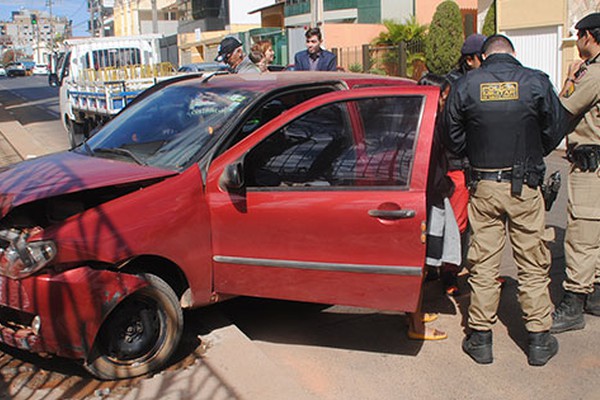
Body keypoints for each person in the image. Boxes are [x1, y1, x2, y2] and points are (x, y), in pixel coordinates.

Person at [442, 35, 565, 366]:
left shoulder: (467, 85)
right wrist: (533, 153)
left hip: (484, 184)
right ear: (513, 53)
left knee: (483, 261)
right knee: (533, 261)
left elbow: (450, 136)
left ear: (482, 56)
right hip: (525, 185)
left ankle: (480, 339)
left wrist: (473, 156)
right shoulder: (536, 81)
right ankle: (539, 339)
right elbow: (555, 129)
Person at [551, 12, 600, 333]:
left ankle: (573, 304)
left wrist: (570, 78)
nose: (578, 40)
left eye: (578, 35)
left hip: (590, 165)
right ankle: (595, 294)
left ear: (588, 36)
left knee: (581, 235)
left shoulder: (592, 75)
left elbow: (562, 111)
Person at [440, 34, 487, 296]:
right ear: (470, 59)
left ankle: (478, 269)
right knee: (456, 224)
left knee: (481, 222)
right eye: (483, 57)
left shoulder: (485, 81)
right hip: (458, 164)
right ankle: (449, 273)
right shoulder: (453, 85)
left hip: (481, 164)